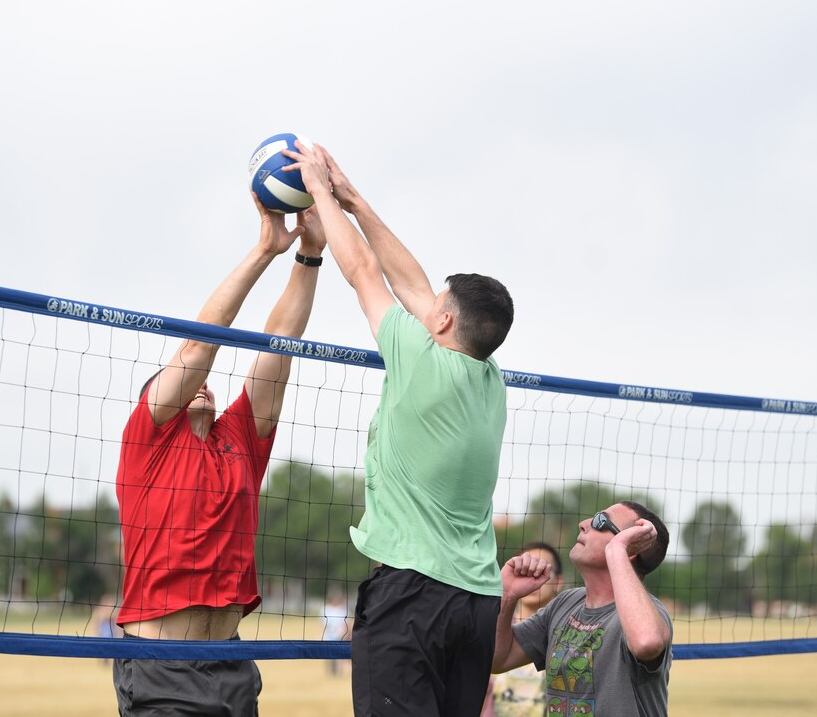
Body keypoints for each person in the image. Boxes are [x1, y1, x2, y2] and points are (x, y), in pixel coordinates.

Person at [285, 141, 515, 716]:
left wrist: (318, 188)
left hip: (414, 596)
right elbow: (412, 283)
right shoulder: (490, 377)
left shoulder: (420, 359)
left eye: (436, 303)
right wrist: (355, 198)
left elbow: (364, 271)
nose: (425, 300)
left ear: (441, 321)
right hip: (476, 603)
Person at [113, 194, 326, 716]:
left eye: (205, 384)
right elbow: (197, 348)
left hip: (231, 665)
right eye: (187, 384)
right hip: (161, 666)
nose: (201, 384)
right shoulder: (150, 438)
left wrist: (309, 255)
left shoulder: (239, 441)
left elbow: (282, 342)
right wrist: (264, 251)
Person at [492, 502, 673, 717]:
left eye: (601, 521)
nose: (584, 524)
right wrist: (508, 595)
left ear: (630, 548)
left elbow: (646, 642)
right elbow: (498, 659)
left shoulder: (648, 613)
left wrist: (617, 550)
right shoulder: (565, 603)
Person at [482, 542, 565, 716]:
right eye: (524, 569)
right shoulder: (491, 628)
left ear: (558, 582)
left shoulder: (567, 634)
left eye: (540, 570)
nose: (531, 575)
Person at [320, 587, 352, 676]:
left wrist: (347, 634)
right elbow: (323, 624)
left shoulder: (344, 610)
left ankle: (338, 673)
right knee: (329, 656)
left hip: (340, 636)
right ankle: (331, 674)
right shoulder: (326, 609)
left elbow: (348, 624)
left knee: (339, 656)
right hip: (329, 636)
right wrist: (323, 635)